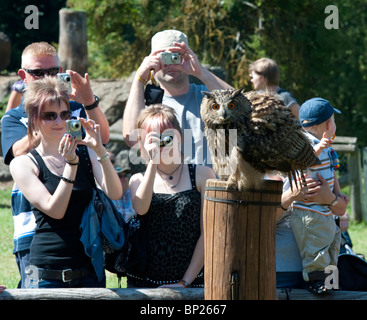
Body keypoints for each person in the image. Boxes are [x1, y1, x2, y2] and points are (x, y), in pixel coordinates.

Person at [0, 41, 110, 288]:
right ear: (23, 76)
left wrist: (88, 101)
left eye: (53, 72)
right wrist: (45, 119)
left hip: (80, 226)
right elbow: (16, 151)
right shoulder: (14, 116)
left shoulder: (73, 109)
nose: (46, 78)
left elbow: (101, 139)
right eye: (38, 73)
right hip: (33, 227)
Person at [127, 104, 216, 288]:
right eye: (154, 137)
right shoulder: (138, 179)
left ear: (180, 137)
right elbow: (141, 209)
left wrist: (185, 282)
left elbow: (208, 233)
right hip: (145, 283)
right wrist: (153, 162)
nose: (162, 141)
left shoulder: (202, 175)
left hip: (192, 282)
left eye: (168, 135)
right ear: (141, 142)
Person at [123, 29, 233, 166]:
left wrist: (200, 72)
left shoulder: (210, 96)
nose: (171, 64)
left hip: (214, 185)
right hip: (170, 186)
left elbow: (245, 109)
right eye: (164, 58)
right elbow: (131, 138)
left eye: (177, 56)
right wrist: (139, 78)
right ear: (151, 60)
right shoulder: (148, 104)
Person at [285, 97, 348, 294]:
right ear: (329, 125)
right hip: (309, 212)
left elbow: (331, 172)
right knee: (316, 249)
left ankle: (330, 283)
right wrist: (320, 146)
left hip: (326, 212)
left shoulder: (327, 148)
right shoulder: (304, 142)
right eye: (334, 121)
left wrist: (338, 196)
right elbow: (302, 160)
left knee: (332, 246)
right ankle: (315, 281)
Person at [275, 173, 349, 290]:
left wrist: (330, 199)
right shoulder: (260, 170)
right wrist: (290, 196)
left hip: (323, 271)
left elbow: (341, 210)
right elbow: (262, 220)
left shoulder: (324, 162)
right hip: (283, 273)